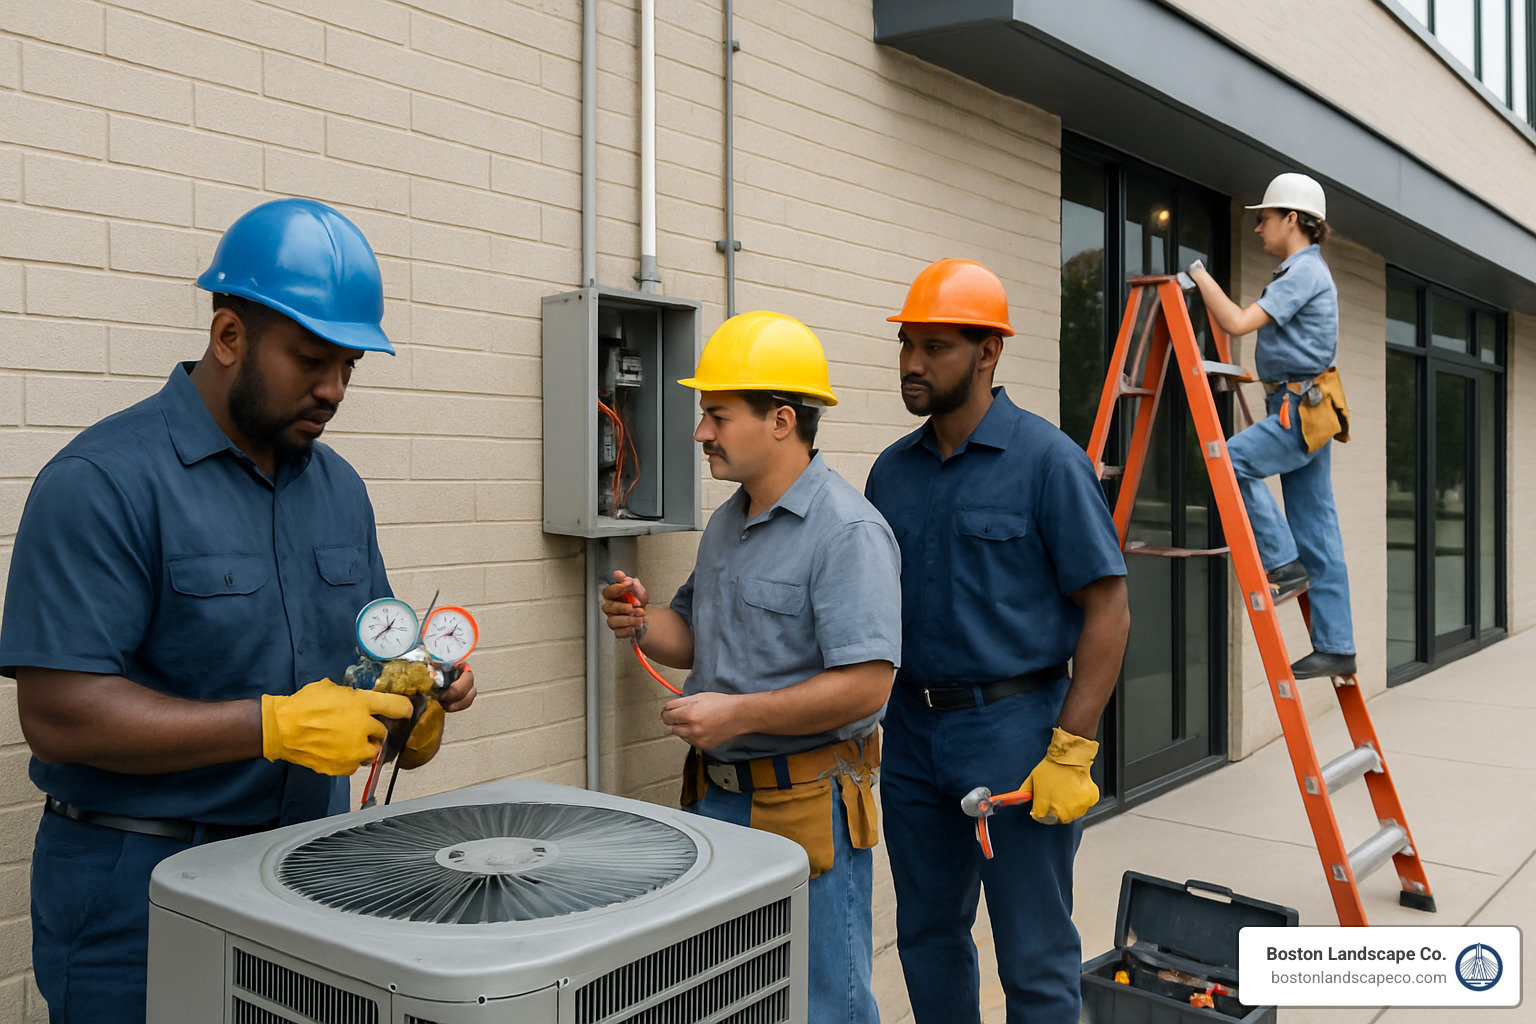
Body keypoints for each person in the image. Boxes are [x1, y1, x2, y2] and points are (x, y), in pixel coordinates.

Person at [0, 198, 477, 1024]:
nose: (333, 389)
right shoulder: (102, 483)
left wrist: (413, 700)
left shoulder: (339, 492)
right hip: (135, 893)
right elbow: (60, 714)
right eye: (311, 359)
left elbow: (369, 661)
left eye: (350, 366)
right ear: (229, 337)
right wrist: (270, 726)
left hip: (306, 873)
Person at [601, 310, 901, 1023]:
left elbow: (869, 684)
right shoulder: (728, 523)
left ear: (781, 420)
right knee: (737, 994)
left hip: (806, 806)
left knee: (826, 1002)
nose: (701, 432)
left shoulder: (848, 532)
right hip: (718, 800)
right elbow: (695, 637)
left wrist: (736, 714)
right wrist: (645, 622)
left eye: (718, 415)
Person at [865, 258, 1130, 1024]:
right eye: (908, 344)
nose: (913, 364)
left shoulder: (1049, 464)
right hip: (912, 737)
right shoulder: (892, 473)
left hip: (1015, 735)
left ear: (988, 353)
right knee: (925, 933)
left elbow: (1108, 609)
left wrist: (1071, 748)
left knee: (1034, 953)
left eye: (936, 347)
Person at [1188, 172, 1354, 679]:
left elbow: (1237, 323)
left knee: (1229, 459)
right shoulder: (1304, 271)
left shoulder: (1302, 272)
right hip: (1308, 407)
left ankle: (1282, 563)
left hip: (1297, 409)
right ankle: (1337, 644)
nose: (1258, 228)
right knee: (1317, 526)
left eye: (1264, 218)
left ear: (1291, 219)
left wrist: (1198, 276)